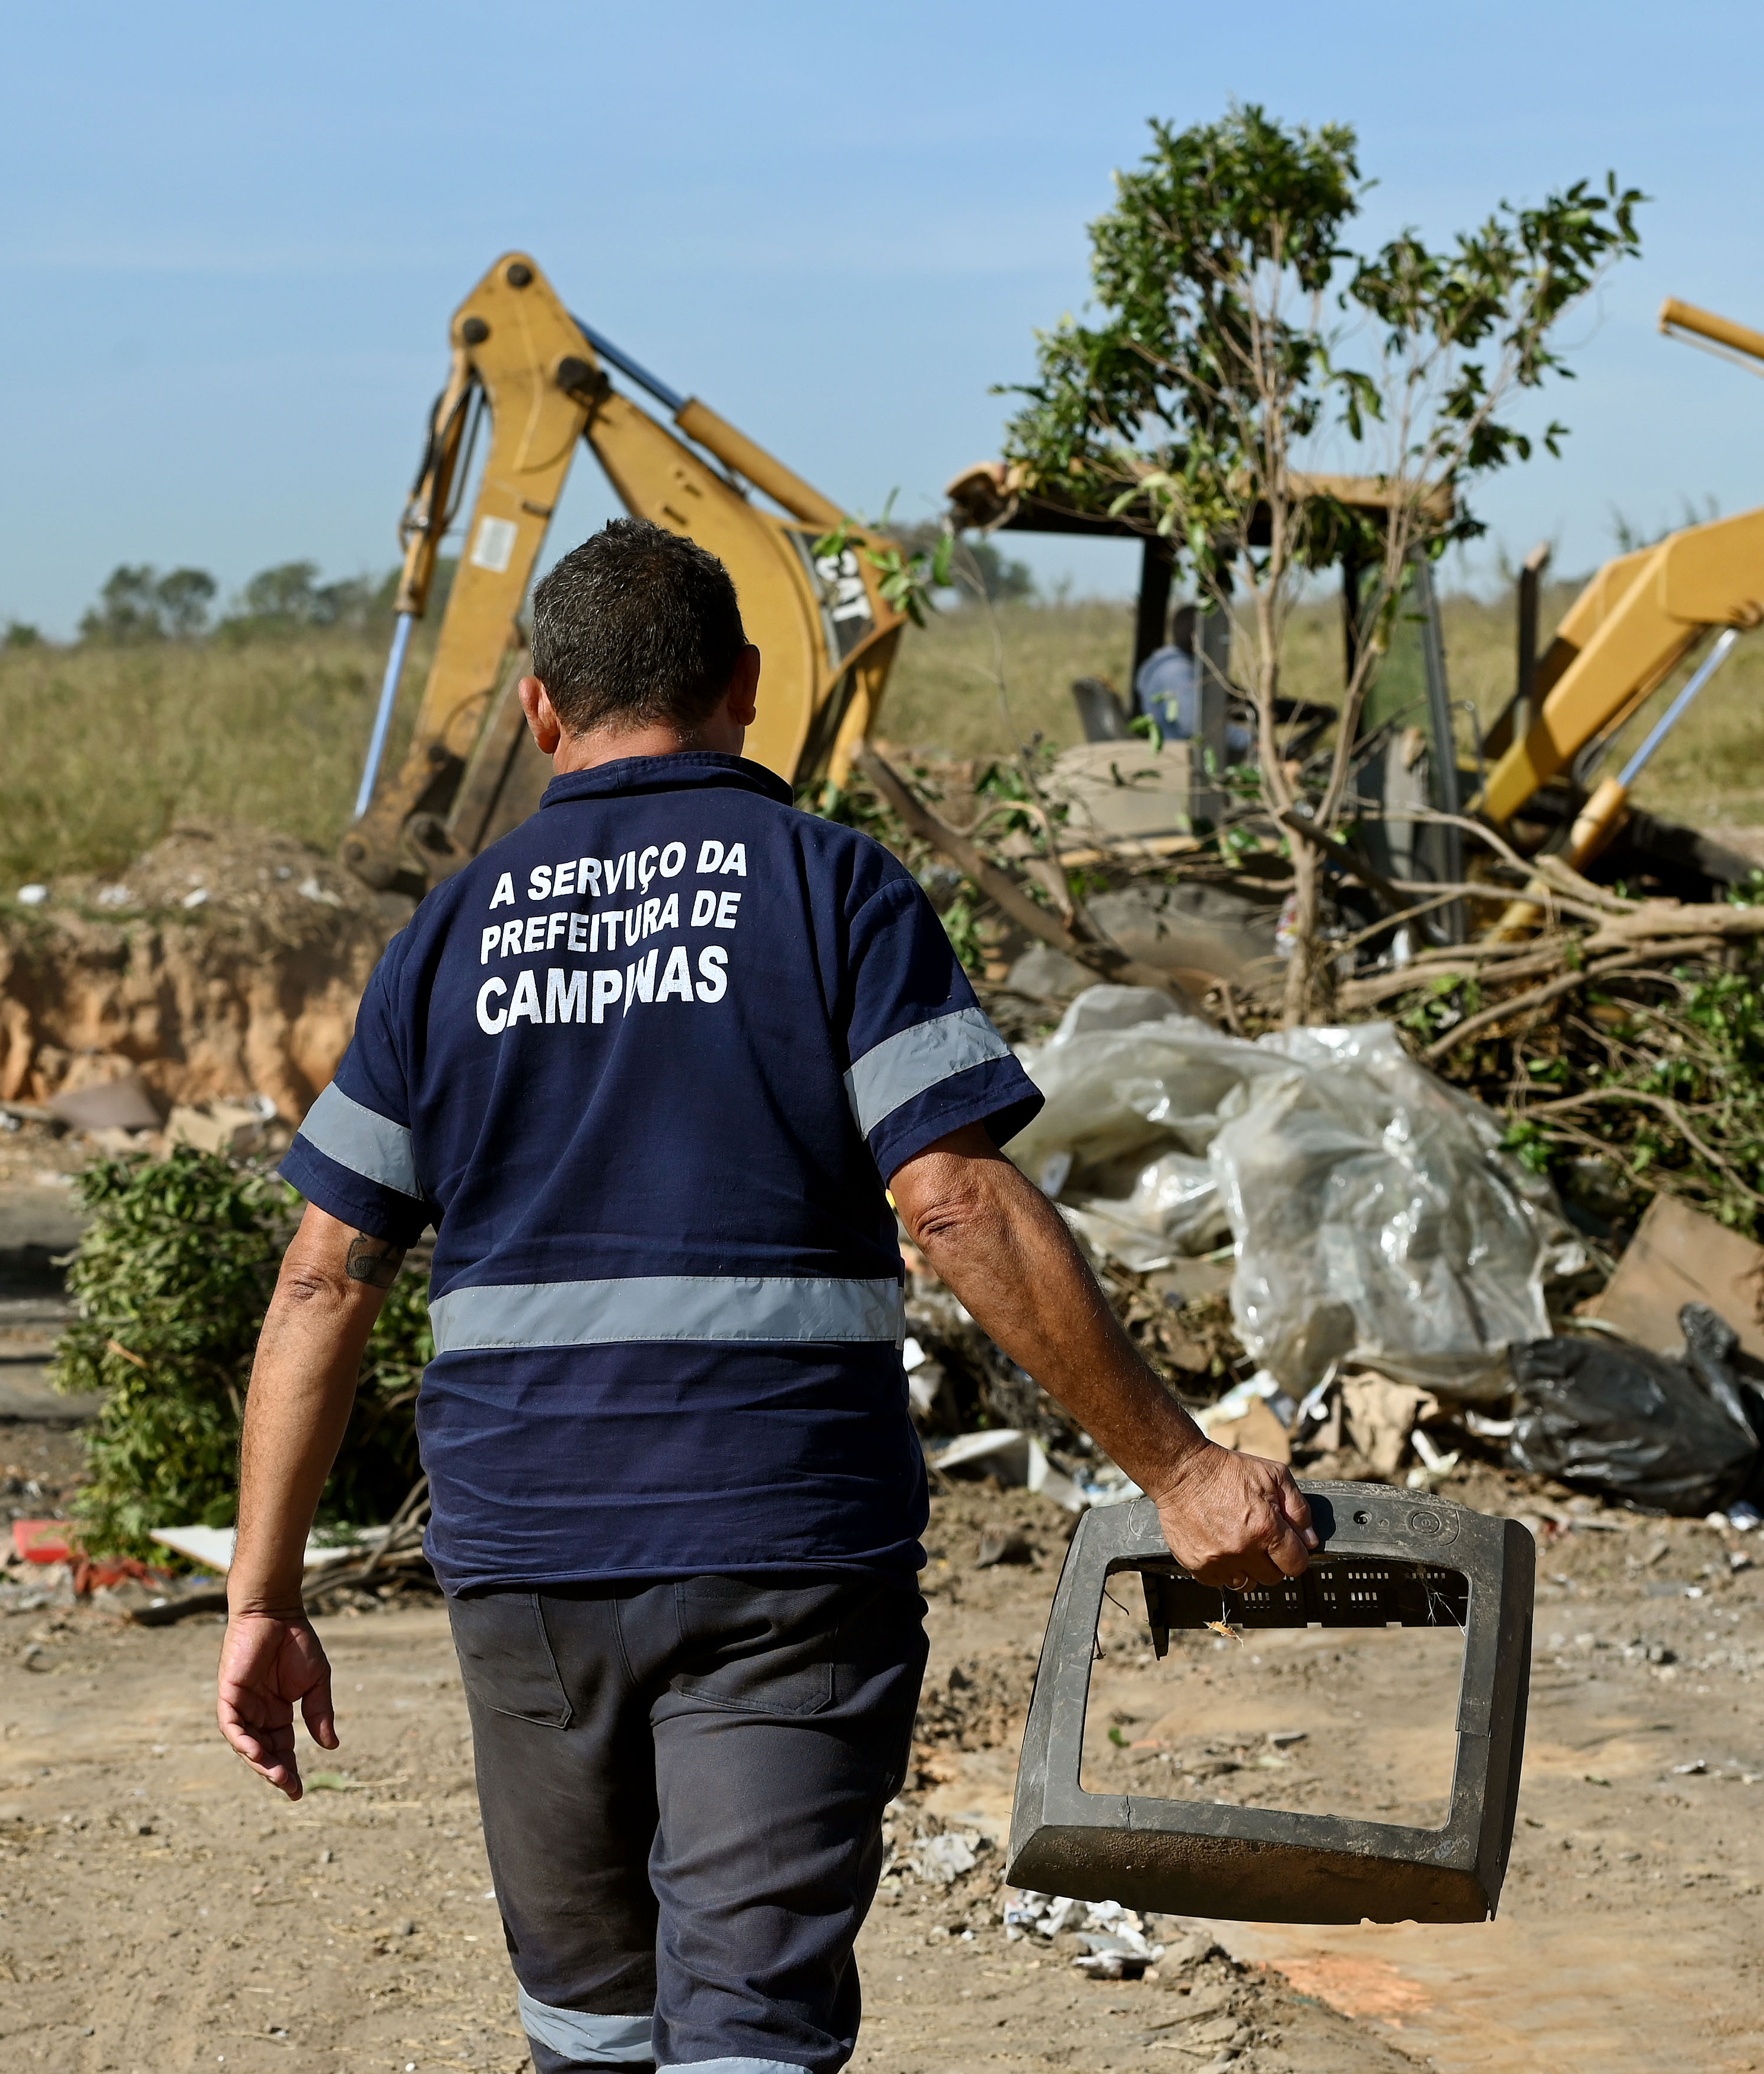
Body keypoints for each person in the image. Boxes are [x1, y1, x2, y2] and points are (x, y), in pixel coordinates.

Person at [218, 518, 1313, 2074]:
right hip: (780, 1555)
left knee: (586, 2035)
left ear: (541, 711)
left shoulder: (447, 939)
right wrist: (1183, 1470)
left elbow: (325, 1276)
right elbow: (951, 1200)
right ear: (746, 687)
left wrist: (264, 1598)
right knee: (746, 2036)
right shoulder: (830, 892)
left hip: (526, 1568)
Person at [1131, 603, 1203, 740]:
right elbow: (1196, 726)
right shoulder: (1177, 672)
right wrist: (1250, 737)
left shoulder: (1161, 661)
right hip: (1176, 749)